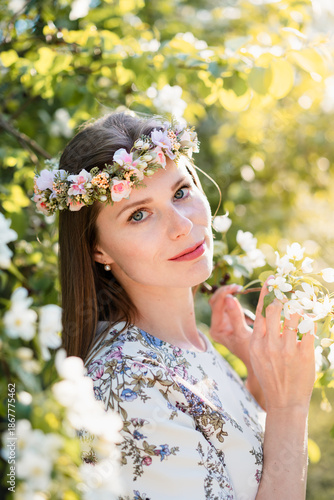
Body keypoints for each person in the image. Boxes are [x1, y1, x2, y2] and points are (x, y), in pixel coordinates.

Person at [33, 112, 316, 500]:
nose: (181, 224)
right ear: (98, 249)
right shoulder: (129, 387)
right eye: (139, 214)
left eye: (181, 192)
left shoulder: (187, 344)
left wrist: (260, 376)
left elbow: (246, 466)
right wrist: (291, 404)